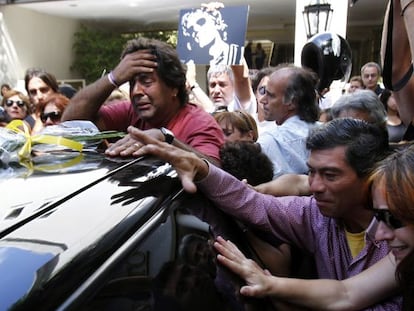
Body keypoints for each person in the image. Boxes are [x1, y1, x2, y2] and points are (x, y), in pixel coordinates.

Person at [115, 117, 401, 310]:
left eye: (330, 175)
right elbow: (251, 202)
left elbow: (346, 296)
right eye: (311, 172)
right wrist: (201, 168)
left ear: (370, 176)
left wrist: (272, 286)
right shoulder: (315, 216)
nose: (314, 186)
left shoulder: (404, 239)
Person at [214, 143, 414, 311]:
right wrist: (269, 284)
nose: (380, 233)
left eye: (393, 219)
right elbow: (346, 293)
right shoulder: (402, 261)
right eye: (379, 216)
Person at [61, 37, 224, 165]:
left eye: (146, 82)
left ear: (174, 87)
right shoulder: (129, 111)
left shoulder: (200, 123)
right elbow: (71, 124)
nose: (136, 91)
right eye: (132, 83)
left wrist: (166, 140)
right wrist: (113, 78)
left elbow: (217, 174)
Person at [256, 64, 319, 179]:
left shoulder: (269, 141)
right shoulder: (330, 132)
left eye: (271, 95)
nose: (263, 100)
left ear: (292, 102)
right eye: (263, 92)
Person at [24, 68, 61, 133]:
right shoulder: (26, 125)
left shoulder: (68, 115)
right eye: (33, 92)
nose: (39, 96)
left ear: (55, 90)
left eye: (44, 90)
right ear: (29, 96)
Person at [251, 66, 276, 135]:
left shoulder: (282, 127)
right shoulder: (248, 120)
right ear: (255, 92)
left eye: (272, 92)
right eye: (263, 90)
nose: (266, 97)